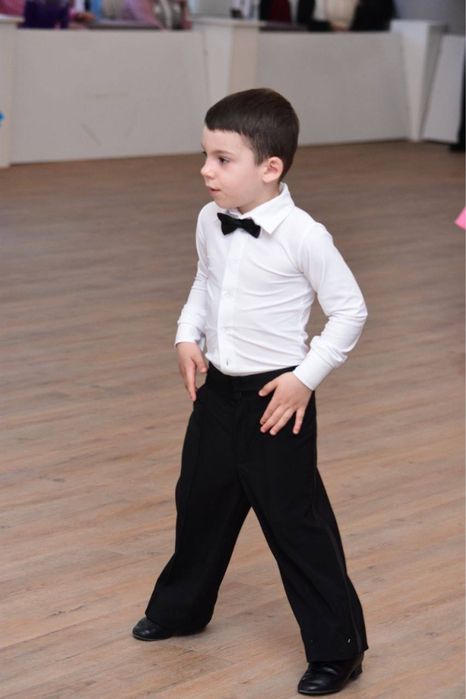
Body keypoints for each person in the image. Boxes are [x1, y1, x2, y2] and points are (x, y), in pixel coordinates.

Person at [132, 88, 369, 696]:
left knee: (295, 523)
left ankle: (339, 649)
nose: (205, 170)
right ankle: (182, 609)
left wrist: (304, 379)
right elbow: (205, 281)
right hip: (217, 395)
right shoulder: (209, 219)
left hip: (276, 403)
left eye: (221, 159)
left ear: (270, 167)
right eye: (204, 155)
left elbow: (350, 311)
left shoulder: (304, 235)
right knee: (200, 502)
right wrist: (187, 334)